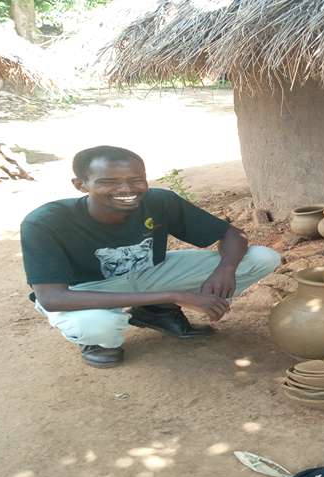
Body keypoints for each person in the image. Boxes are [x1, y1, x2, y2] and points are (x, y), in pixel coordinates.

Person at [20, 145, 281, 368]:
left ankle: (155, 312)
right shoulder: (46, 223)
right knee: (98, 326)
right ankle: (97, 342)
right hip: (88, 288)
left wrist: (225, 268)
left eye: (136, 179)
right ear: (81, 185)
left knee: (262, 257)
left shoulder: (159, 202)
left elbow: (234, 235)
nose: (126, 189)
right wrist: (174, 295)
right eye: (108, 182)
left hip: (150, 273)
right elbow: (52, 298)